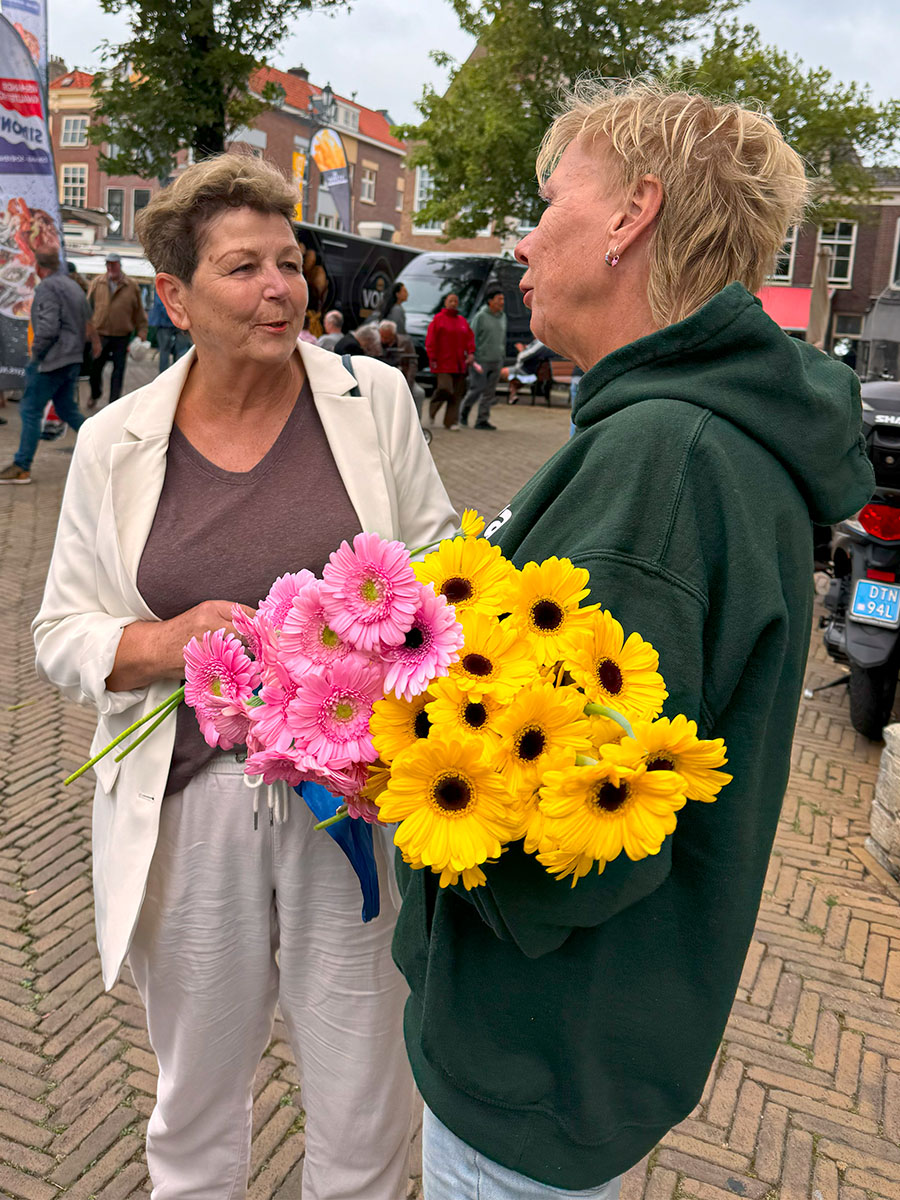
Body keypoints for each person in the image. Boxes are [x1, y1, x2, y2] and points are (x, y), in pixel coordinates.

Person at [392, 79, 875, 1199]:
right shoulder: (702, 437)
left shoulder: (661, 464)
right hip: (597, 1045)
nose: (522, 235)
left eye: (548, 197)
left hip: (530, 1056)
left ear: (631, 216)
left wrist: (408, 776)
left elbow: (577, 832)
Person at [33, 153, 457, 1200]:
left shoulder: (376, 400)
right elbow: (60, 629)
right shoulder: (113, 442)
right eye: (242, 268)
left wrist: (388, 658)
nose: (280, 288)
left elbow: (444, 569)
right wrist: (160, 642)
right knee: (195, 1102)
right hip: (192, 811)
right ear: (173, 296)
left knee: (366, 1097)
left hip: (351, 813)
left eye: (289, 262)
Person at [0, 249, 100, 484]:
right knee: (67, 410)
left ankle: (22, 466)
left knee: (30, 410)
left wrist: (36, 354)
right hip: (72, 358)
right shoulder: (73, 286)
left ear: (40, 268)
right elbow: (87, 320)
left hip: (51, 361)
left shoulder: (47, 288)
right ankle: (102, 445)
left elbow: (48, 327)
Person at [88, 251, 148, 405]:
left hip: (122, 335)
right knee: (95, 368)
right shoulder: (97, 283)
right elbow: (87, 308)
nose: (110, 267)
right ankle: (95, 393)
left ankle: (113, 403)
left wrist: (142, 330)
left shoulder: (131, 285)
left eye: (113, 264)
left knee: (118, 371)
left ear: (119, 265)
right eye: (108, 264)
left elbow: (138, 310)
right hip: (100, 335)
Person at [425, 292, 474, 431]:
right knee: (445, 388)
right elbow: (431, 341)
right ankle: (433, 407)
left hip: (459, 363)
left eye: (456, 301)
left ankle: (451, 421)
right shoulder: (438, 320)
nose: (453, 303)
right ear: (445, 302)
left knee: (457, 394)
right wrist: (432, 358)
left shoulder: (462, 321)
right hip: (443, 363)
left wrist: (470, 353)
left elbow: (469, 338)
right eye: (451, 300)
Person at [460, 288, 506, 430]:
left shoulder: (503, 316)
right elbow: (471, 337)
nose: (502, 302)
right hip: (481, 360)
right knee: (477, 389)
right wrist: (472, 355)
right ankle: (463, 412)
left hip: (497, 359)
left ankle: (482, 420)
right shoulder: (480, 316)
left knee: (489, 393)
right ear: (490, 301)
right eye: (499, 299)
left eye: (502, 299)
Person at [148, 290, 192, 374]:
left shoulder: (162, 282)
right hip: (173, 323)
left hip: (167, 323)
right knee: (177, 351)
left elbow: (160, 303)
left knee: (169, 352)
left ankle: (169, 378)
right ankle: (176, 377)